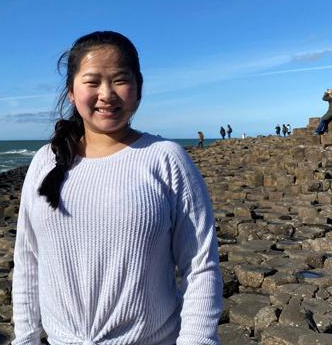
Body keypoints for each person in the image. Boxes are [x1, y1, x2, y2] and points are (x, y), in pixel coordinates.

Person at [12, 31, 222, 345]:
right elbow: (28, 260)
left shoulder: (165, 159)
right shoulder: (46, 161)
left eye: (120, 80)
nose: (107, 94)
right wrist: (25, 339)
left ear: (138, 88)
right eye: (92, 81)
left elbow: (200, 264)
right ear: (71, 91)